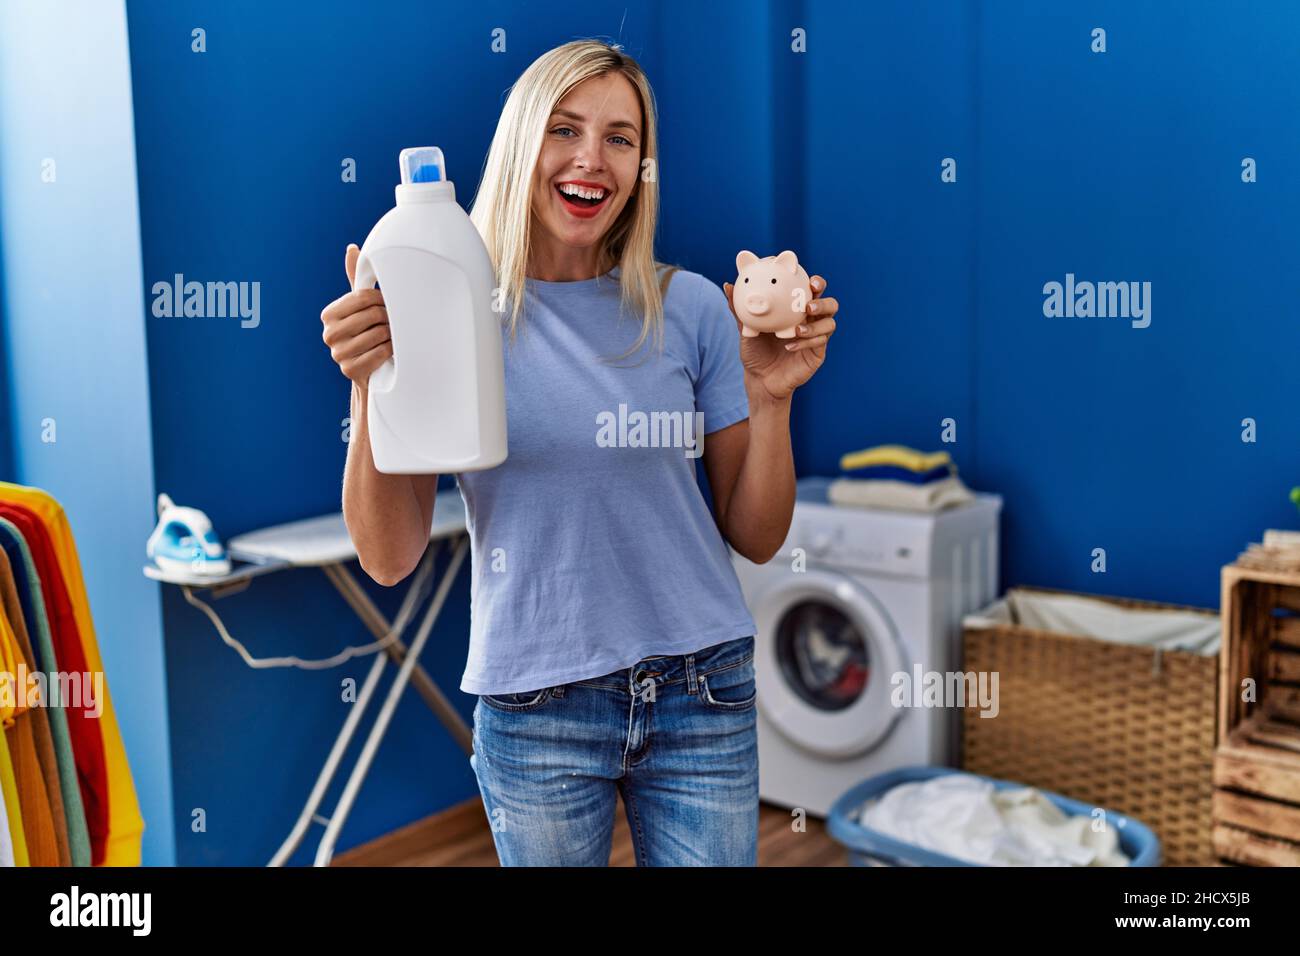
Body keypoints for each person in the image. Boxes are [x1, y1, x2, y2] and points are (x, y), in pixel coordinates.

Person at [319, 39, 838, 866]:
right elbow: (388, 557)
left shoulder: (693, 308)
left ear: (643, 166)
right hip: (535, 706)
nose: (591, 160)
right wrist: (368, 382)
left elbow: (760, 535)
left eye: (621, 138)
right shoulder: (449, 309)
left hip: (702, 691)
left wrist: (771, 403)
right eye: (565, 129)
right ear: (523, 142)